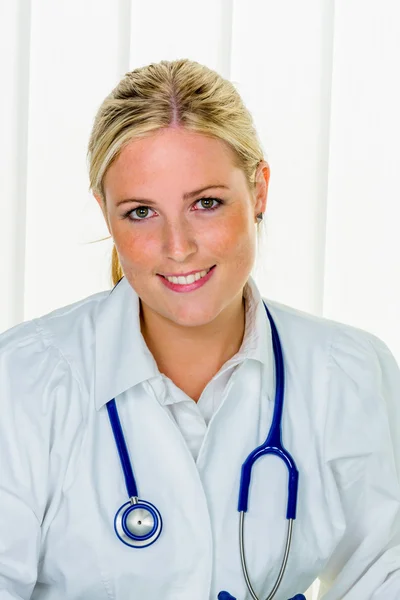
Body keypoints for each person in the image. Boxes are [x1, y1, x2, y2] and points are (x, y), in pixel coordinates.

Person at [0, 58, 399, 600]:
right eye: (141, 212)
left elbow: (385, 575)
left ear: (258, 191)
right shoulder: (22, 380)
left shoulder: (348, 373)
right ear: (105, 213)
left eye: (206, 203)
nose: (178, 246)